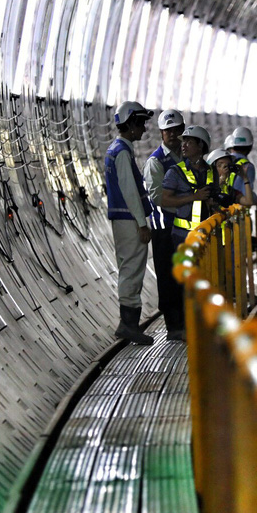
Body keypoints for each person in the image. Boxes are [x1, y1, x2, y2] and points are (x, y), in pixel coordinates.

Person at [105, 101, 155, 346]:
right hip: (128, 220)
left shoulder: (115, 149)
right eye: (141, 123)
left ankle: (128, 323)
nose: (143, 129)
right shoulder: (122, 152)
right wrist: (142, 223)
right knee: (132, 269)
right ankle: (128, 325)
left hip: (122, 219)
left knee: (129, 267)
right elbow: (130, 190)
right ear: (130, 123)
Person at [143, 109, 186, 340]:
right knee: (168, 276)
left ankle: (186, 321)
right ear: (161, 133)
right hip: (165, 228)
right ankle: (174, 326)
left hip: (185, 227)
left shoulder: (186, 157)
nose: (171, 133)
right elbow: (158, 198)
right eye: (167, 130)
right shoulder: (156, 162)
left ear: (181, 130)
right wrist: (188, 200)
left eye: (175, 129)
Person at [161, 125, 213, 248]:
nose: (183, 145)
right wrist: (194, 197)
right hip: (183, 237)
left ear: (200, 145)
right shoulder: (175, 172)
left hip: (207, 234)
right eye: (183, 141)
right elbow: (164, 200)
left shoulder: (211, 171)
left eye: (189, 142)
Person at [225, 125, 257, 212]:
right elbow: (245, 195)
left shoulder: (222, 162)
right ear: (250, 146)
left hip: (220, 213)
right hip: (236, 213)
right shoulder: (247, 166)